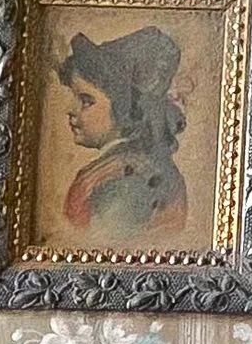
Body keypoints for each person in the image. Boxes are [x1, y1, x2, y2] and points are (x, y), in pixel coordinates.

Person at [55, 25, 189, 239]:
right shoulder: (123, 167)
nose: (70, 110)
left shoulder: (127, 182)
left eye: (86, 101)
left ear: (125, 110)